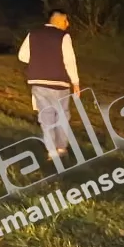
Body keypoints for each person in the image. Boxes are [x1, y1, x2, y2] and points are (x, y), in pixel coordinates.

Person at [16, 9, 81, 160]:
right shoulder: (63, 36)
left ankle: (51, 152)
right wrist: (76, 83)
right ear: (57, 21)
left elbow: (22, 56)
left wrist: (39, 61)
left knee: (46, 117)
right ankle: (61, 148)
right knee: (62, 116)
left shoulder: (33, 34)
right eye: (65, 21)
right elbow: (69, 61)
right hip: (59, 83)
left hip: (38, 83)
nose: (68, 24)